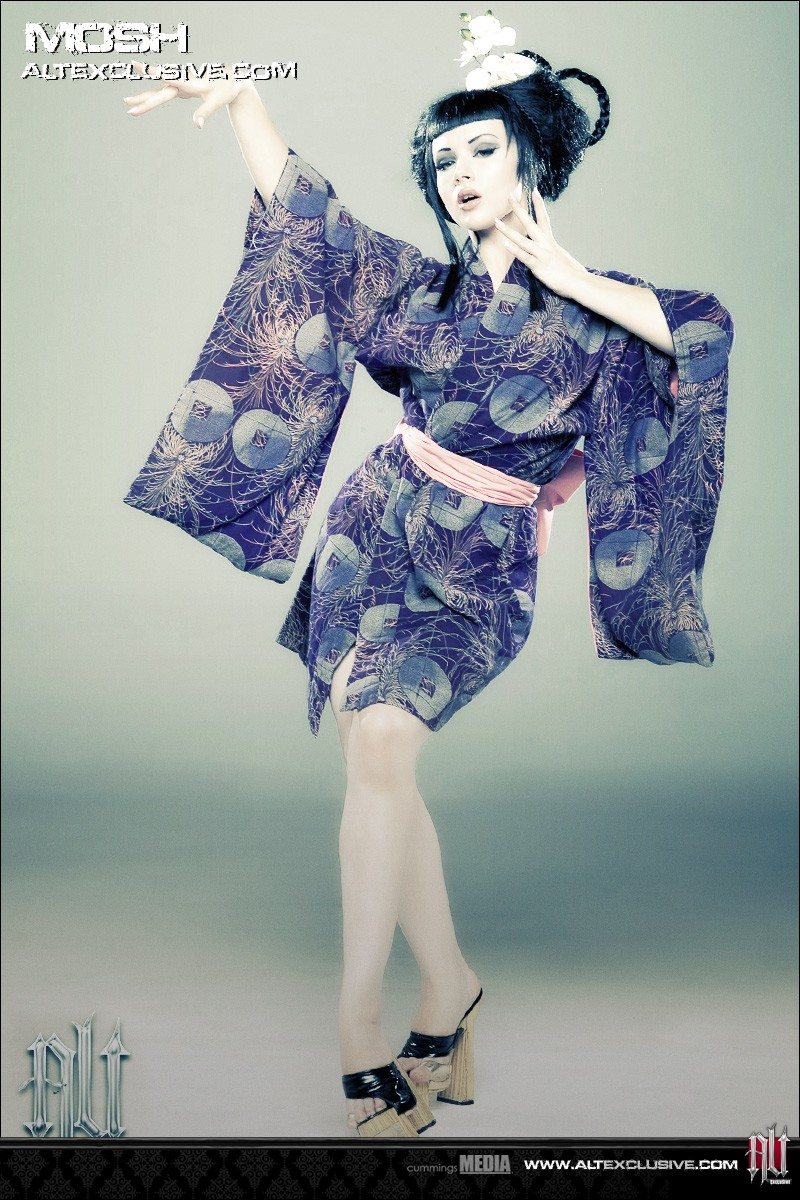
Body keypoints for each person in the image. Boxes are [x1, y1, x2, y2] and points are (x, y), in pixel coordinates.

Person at [122, 12, 734, 1138]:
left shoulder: (598, 317)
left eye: (483, 149)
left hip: (480, 567)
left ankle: (395, 1008)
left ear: (532, 157)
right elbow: (312, 228)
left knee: (384, 746)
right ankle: (421, 1001)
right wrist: (248, 107)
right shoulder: (418, 291)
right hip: (375, 529)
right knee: (376, 754)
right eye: (442, 158)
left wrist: (567, 274)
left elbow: (699, 334)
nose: (459, 172)